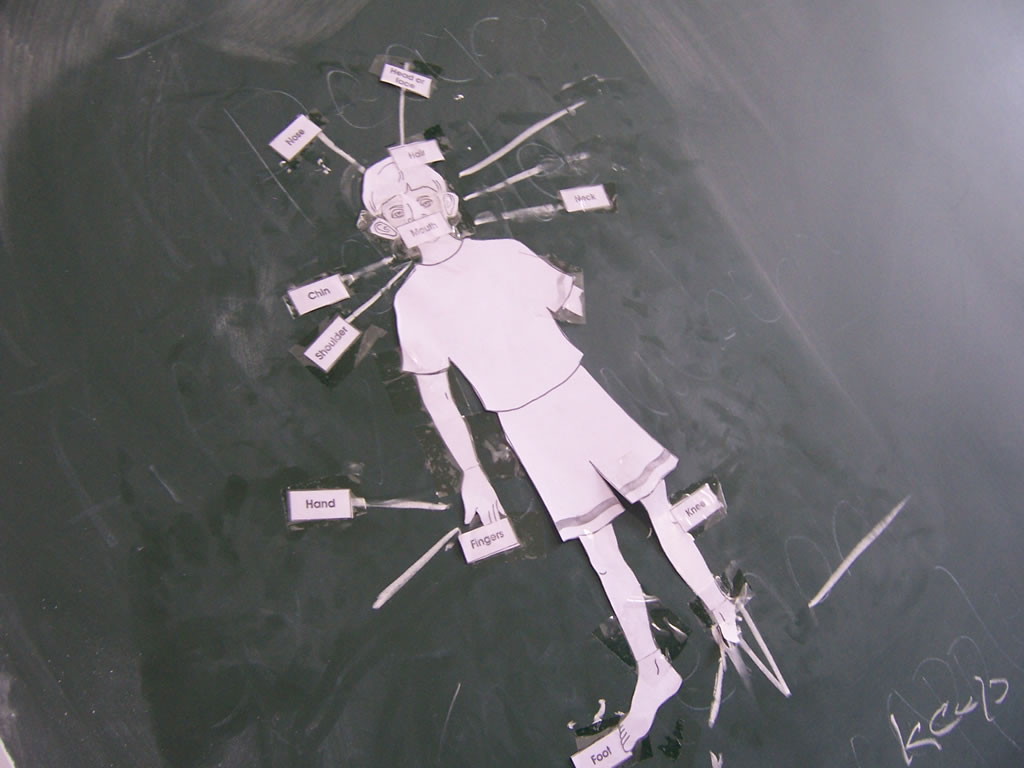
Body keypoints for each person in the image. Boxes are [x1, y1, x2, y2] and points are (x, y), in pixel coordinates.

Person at [360, 157, 740, 753]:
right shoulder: (413, 301)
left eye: (425, 202)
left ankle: (719, 606)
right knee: (601, 549)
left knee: (659, 510)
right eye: (399, 213)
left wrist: (573, 267)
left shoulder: (505, 254)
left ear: (449, 203)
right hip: (527, 426)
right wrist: (472, 473)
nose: (418, 218)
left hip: (578, 396)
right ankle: (651, 669)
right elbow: (437, 394)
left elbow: (577, 304)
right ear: (387, 229)